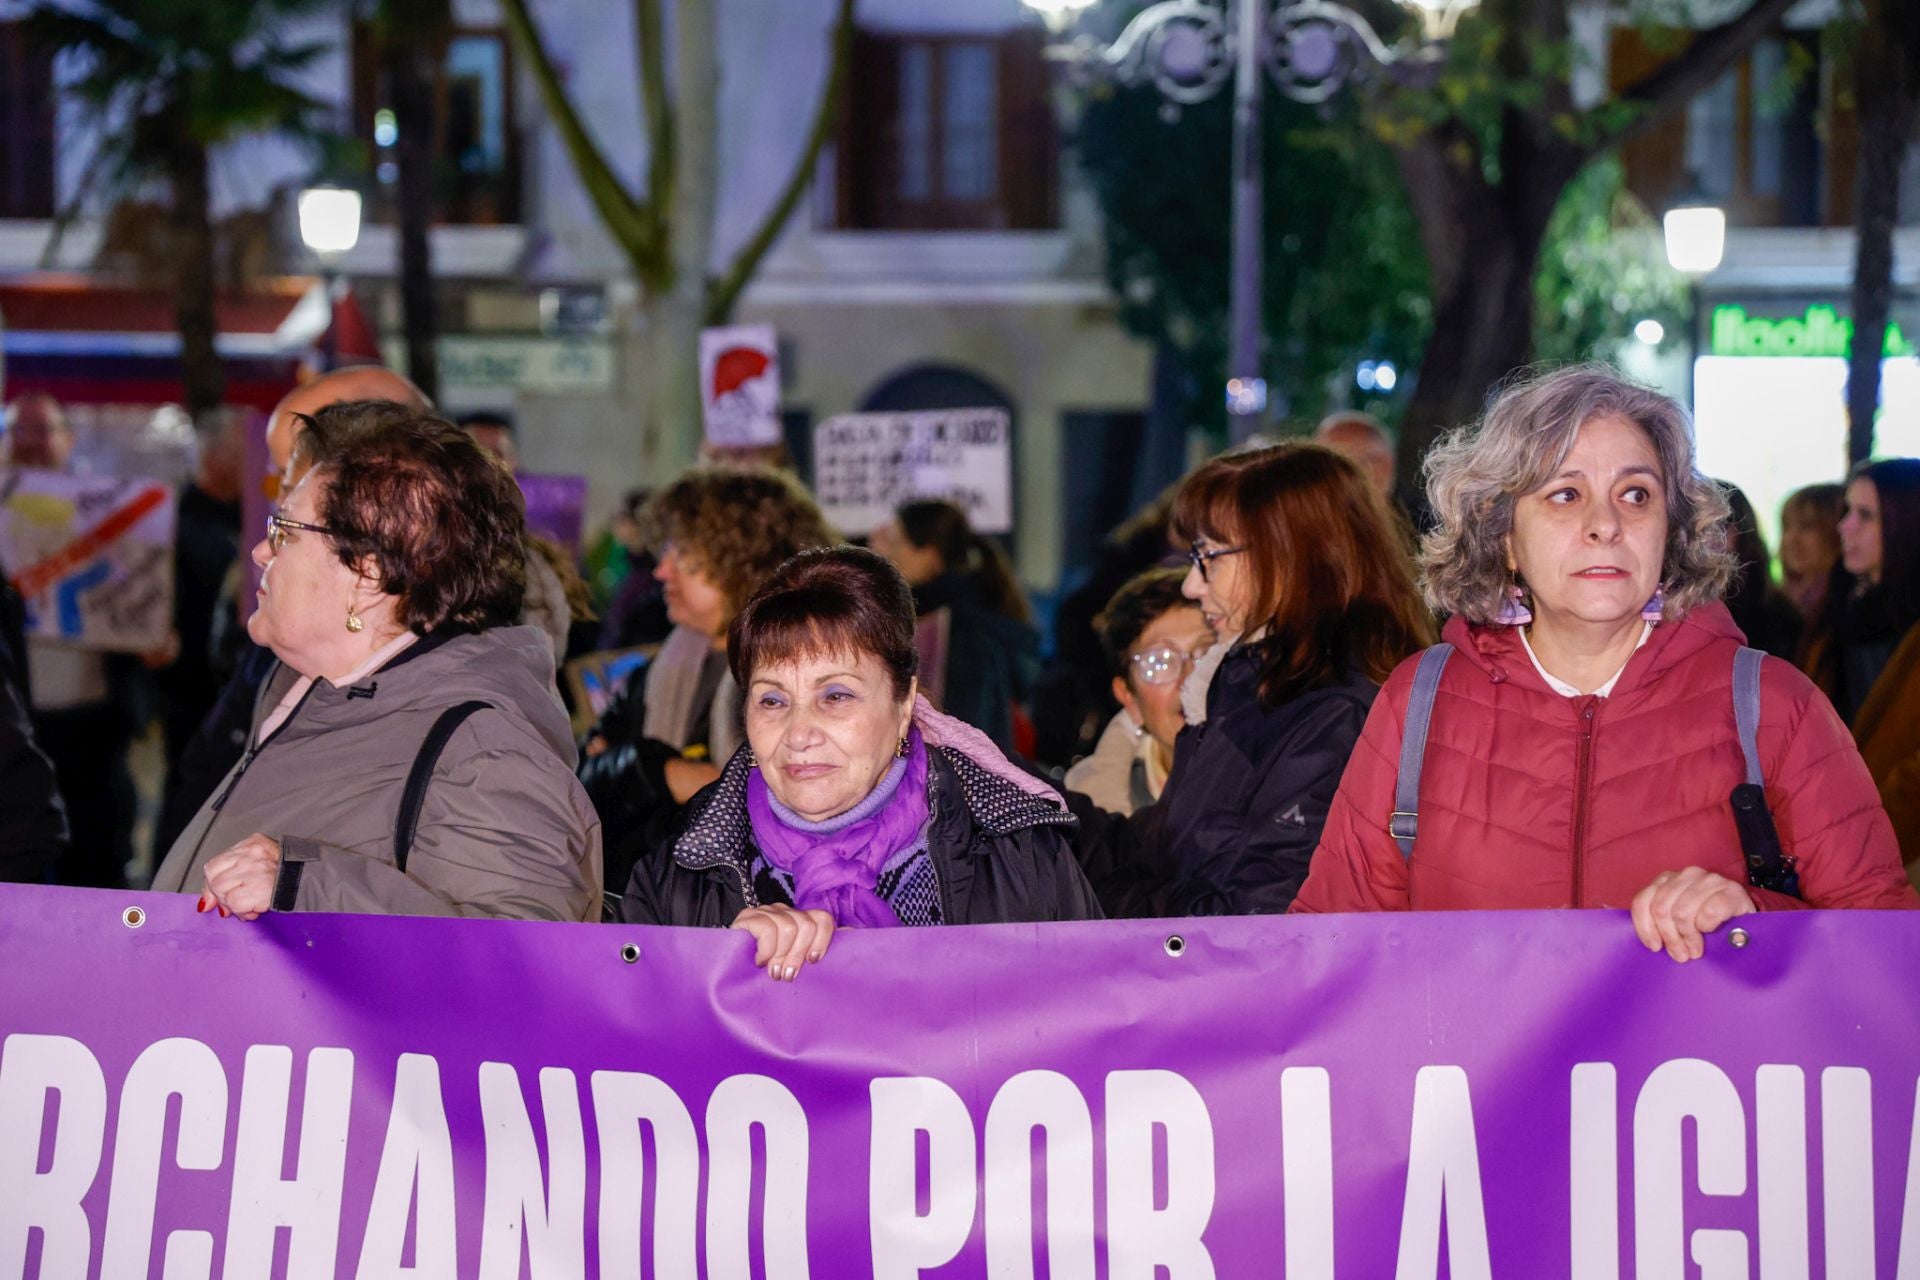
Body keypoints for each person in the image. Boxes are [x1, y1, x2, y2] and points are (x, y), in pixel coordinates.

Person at [1292, 366, 1916, 958]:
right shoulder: (1421, 701)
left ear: (1670, 531)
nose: (1605, 525)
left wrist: (1753, 919)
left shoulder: (1772, 705)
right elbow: (1326, 947)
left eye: (1636, 494)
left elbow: (1885, 944)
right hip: (1478, 1074)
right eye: (1565, 494)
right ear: (1503, 537)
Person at [150, 404, 602, 920]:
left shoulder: (484, 753)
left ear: (366, 577)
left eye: (285, 532)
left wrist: (306, 885)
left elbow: (519, 967)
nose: (259, 552)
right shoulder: (309, 690)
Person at [622, 546, 1099, 974]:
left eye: (836, 696)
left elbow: (1084, 1039)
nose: (799, 734)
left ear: (903, 702)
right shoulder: (687, 868)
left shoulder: (1016, 851)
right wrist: (716, 973)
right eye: (772, 700)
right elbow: (636, 1051)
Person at [1074, 442, 1434, 917]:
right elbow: (1156, 849)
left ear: (1286, 556)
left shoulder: (1337, 714)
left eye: (1208, 558)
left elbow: (1247, 921)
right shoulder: (1250, 692)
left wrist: (1095, 905)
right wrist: (1012, 791)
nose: (1191, 586)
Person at [580, 466, 836, 895]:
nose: (661, 571)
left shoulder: (804, 668)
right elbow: (589, 770)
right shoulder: (668, 664)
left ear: (740, 559)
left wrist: (649, 774)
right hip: (661, 900)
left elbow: (794, 801)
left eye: (682, 554)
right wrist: (659, 769)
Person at [5, 393, 138, 890]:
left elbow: (136, 599)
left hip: (90, 724)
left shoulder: (108, 514)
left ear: (68, 440)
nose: (33, 443)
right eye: (21, 430)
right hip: (17, 724)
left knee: (94, 859)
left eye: (44, 430)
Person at [1803, 458, 1920, 878]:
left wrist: (1869, 829)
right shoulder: (1835, 615)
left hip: (1900, 849)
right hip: (1830, 841)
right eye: (1847, 512)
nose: (1845, 527)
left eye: (1865, 516)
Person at [870, 499, 1038, 752]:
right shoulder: (983, 612)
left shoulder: (952, 630)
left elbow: (962, 729)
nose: (889, 555)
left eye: (897, 544)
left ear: (929, 554)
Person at [1063, 569, 1214, 815]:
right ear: (1128, 697)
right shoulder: (1086, 802)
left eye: (1206, 654)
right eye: (1159, 663)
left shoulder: (1283, 783)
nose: (1190, 681)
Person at [1720, 482, 1800, 659]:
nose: (1706, 537)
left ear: (1742, 531)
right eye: (1696, 525)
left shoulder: (1777, 617)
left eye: (1720, 525)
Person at [1779, 482, 1845, 623]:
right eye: (1786, 526)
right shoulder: (1777, 602)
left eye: (1807, 526)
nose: (1791, 539)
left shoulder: (1844, 607)